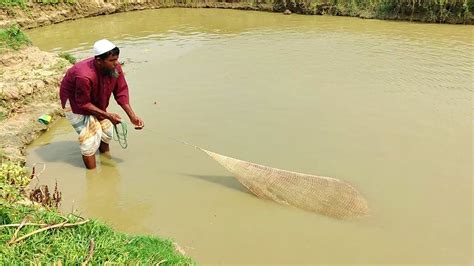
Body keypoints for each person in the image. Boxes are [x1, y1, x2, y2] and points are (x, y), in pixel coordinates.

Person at [59, 39, 144, 169]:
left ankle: (106, 160)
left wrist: (132, 116)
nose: (116, 63)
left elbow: (121, 92)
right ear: (99, 60)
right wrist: (108, 115)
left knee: (106, 131)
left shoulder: (115, 67)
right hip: (75, 103)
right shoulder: (84, 75)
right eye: (112, 60)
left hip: (96, 99)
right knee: (89, 139)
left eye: (116, 59)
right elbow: (83, 103)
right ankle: (92, 175)